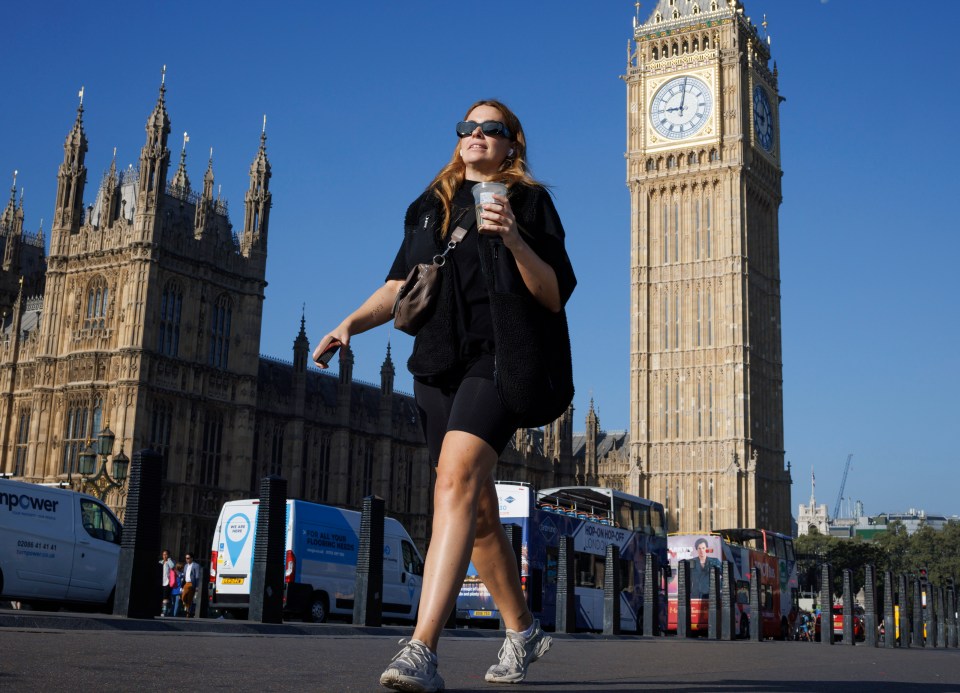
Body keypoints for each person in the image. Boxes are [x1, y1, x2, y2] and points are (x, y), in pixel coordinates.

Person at [313, 99, 575, 693]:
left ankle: (421, 648)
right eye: (468, 128)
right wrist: (350, 323)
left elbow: (554, 293)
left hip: (502, 360)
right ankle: (524, 629)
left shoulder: (530, 203)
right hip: (437, 366)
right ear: (458, 140)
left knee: (452, 480)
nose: (477, 135)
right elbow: (399, 285)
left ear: (514, 145)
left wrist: (512, 238)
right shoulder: (429, 206)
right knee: (478, 512)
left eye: (492, 129)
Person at [180, 552, 202, 618]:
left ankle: (188, 612)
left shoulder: (196, 565)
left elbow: (197, 576)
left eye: (188, 558)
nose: (187, 559)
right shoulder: (186, 566)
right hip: (186, 583)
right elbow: (184, 575)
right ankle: (188, 609)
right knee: (183, 597)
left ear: (192, 558)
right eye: (186, 558)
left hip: (192, 583)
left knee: (189, 599)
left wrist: (197, 586)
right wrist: (182, 584)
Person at [159, 549, 174, 617]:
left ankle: (164, 611)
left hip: (167, 582)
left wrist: (169, 559)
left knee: (165, 597)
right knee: (161, 597)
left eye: (166, 554)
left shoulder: (169, 562)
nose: (164, 556)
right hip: (161, 582)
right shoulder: (160, 562)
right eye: (163, 554)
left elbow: (172, 566)